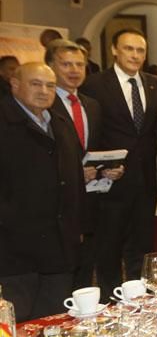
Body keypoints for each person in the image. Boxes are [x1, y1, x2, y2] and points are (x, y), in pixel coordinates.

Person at [81, 28, 157, 299]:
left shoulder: (156, 84)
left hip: (145, 181)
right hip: (110, 181)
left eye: (140, 50)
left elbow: (154, 133)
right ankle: (111, 300)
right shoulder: (94, 84)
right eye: (129, 49)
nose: (135, 55)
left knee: (141, 247)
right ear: (115, 50)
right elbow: (91, 132)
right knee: (109, 247)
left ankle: (138, 299)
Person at [0, 63, 84, 320]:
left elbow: (75, 178)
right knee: (19, 326)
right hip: (15, 249)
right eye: (35, 83)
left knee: (54, 322)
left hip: (59, 247)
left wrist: (77, 226)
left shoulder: (60, 122)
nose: (44, 91)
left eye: (50, 85)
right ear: (15, 84)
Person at [46, 39, 123, 289]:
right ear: (51, 66)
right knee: (61, 274)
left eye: (79, 64)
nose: (74, 70)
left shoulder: (92, 105)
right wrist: (74, 173)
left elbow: (96, 149)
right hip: (57, 204)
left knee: (87, 266)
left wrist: (112, 169)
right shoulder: (44, 106)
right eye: (66, 64)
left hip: (91, 202)